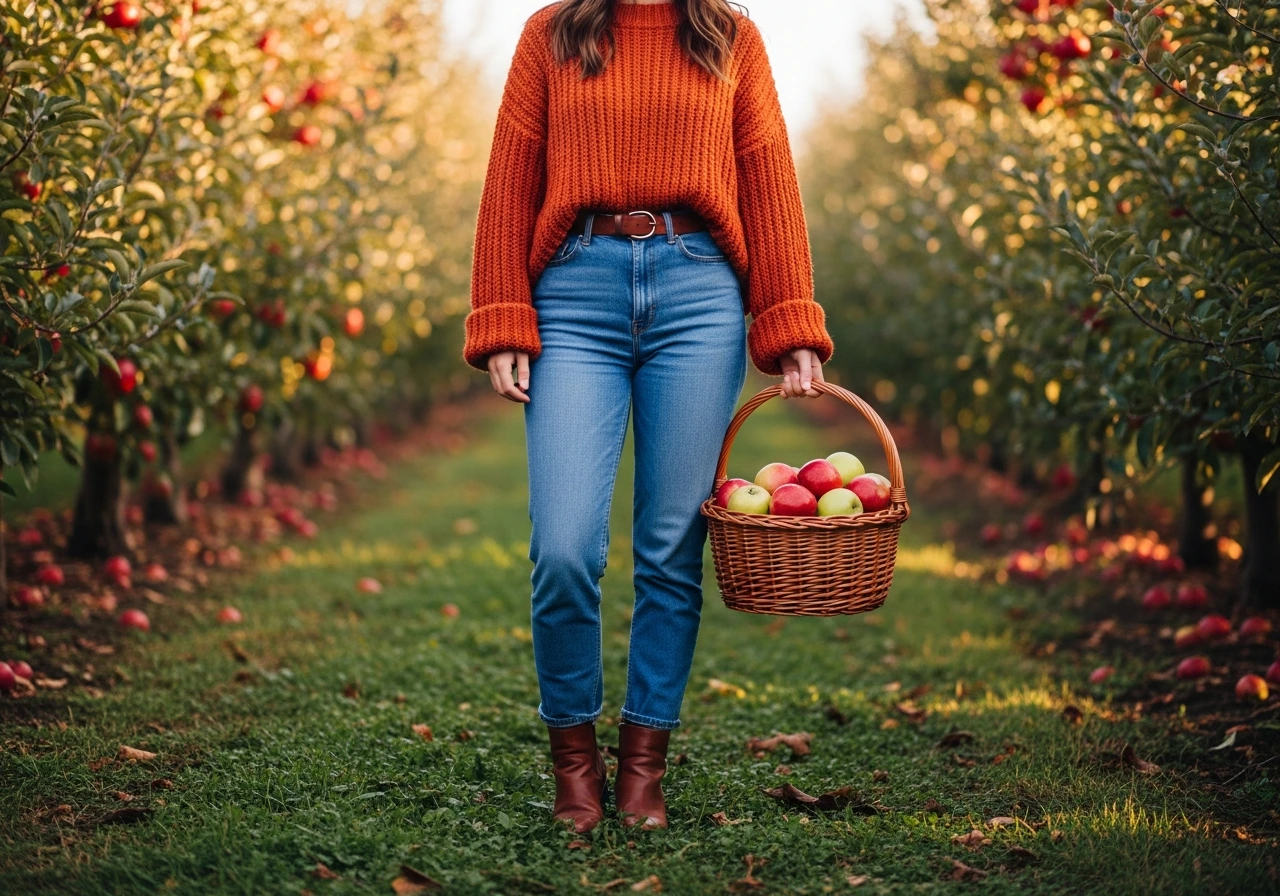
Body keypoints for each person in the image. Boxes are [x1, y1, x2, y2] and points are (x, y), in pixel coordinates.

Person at [461, 0, 835, 834]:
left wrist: (790, 320)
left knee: (671, 551)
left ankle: (641, 768)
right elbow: (510, 177)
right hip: (574, 288)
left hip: (699, 289)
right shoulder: (551, 33)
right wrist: (500, 315)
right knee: (563, 548)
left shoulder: (730, 38)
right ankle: (573, 763)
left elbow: (769, 176)